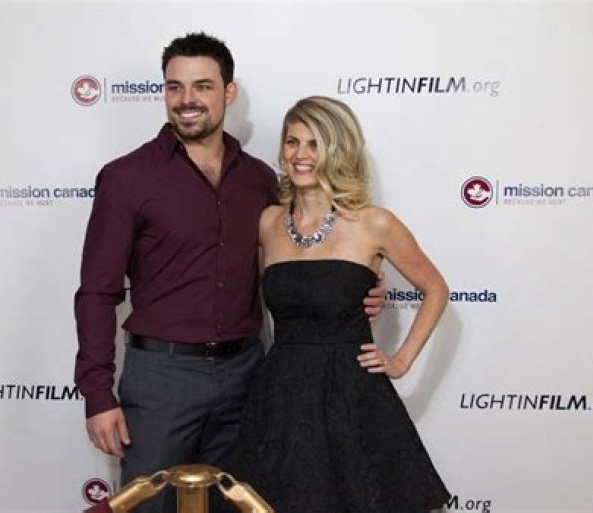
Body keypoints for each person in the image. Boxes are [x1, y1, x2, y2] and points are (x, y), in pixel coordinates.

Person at [74, 35, 383, 513]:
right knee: (147, 507)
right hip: (162, 379)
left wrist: (363, 281)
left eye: (202, 86)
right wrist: (98, 394)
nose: (187, 100)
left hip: (248, 377)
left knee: (241, 506)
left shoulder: (261, 179)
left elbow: (308, 246)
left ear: (228, 92)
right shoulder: (126, 178)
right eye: (174, 87)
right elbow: (96, 293)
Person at [234, 96, 451, 513]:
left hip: (353, 395)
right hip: (281, 394)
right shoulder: (267, 222)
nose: (300, 155)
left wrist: (401, 360)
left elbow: (435, 289)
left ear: (338, 150)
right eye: (292, 142)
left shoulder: (373, 222)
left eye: (315, 144)